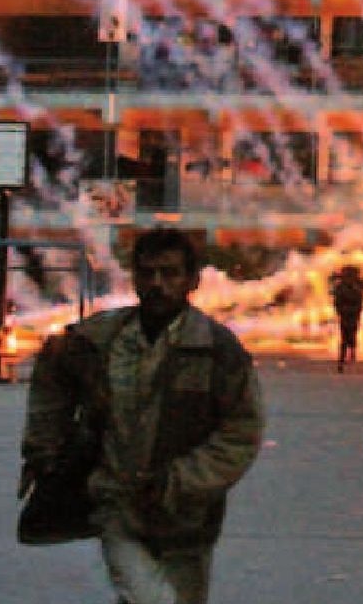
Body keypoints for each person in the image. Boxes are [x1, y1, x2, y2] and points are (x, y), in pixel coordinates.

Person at [20, 227, 264, 604]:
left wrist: (181, 480)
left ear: (191, 280)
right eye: (147, 273)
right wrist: (45, 448)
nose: (157, 284)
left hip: (186, 517)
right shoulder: (99, 339)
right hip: (116, 503)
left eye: (169, 274)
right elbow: (52, 374)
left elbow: (241, 431)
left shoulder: (218, 352)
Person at [329, 265, 363, 373]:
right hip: (346, 314)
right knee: (345, 337)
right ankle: (344, 358)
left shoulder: (354, 286)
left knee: (351, 335)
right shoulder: (342, 287)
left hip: (352, 314)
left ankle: (350, 354)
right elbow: (337, 301)